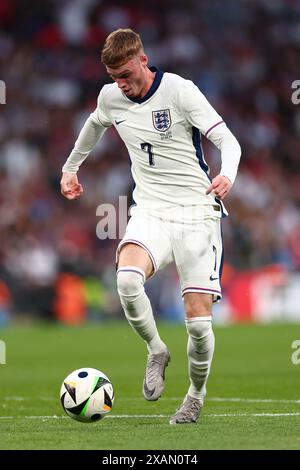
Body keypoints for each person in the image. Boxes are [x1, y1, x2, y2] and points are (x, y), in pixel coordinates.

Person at [61, 28, 241, 424]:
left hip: (197, 212)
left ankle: (195, 394)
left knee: (197, 325)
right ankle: (156, 349)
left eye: (126, 74)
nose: (121, 84)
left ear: (143, 59)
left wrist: (227, 174)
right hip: (152, 210)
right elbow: (94, 125)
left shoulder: (179, 91)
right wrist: (71, 167)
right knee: (126, 280)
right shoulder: (111, 97)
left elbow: (228, 140)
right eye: (114, 77)